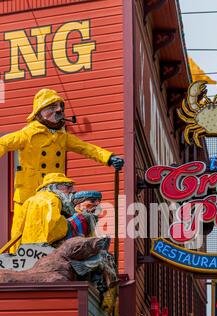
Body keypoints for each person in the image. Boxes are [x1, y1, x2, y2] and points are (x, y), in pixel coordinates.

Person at [0, 88, 124, 244]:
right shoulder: (28, 134)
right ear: (39, 111)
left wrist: (109, 157)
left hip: (57, 191)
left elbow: (85, 148)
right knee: (20, 228)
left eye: (60, 107)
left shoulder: (62, 137)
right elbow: (3, 143)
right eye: (52, 107)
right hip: (29, 192)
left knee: (58, 225)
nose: (59, 110)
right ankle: (16, 261)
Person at [15, 173, 81, 248]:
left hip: (27, 247)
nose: (73, 190)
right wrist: (70, 222)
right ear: (55, 186)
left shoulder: (29, 201)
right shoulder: (53, 199)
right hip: (47, 247)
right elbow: (53, 225)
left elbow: (18, 228)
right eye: (68, 187)